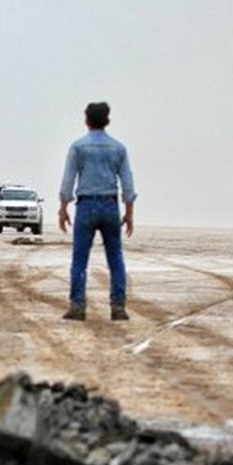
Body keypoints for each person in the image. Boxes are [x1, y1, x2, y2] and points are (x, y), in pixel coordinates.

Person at [58, 101, 136, 321]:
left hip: (86, 205)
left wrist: (63, 208)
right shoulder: (119, 149)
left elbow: (68, 181)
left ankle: (78, 305)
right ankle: (118, 306)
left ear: (86, 120)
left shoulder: (78, 147)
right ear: (107, 121)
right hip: (110, 205)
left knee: (80, 258)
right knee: (115, 258)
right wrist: (129, 213)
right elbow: (128, 184)